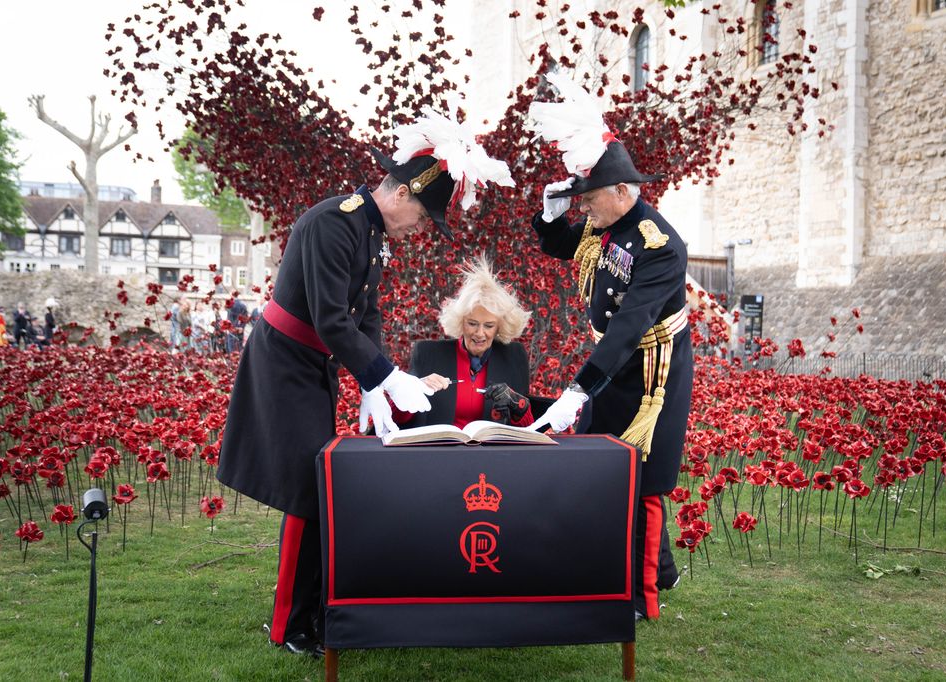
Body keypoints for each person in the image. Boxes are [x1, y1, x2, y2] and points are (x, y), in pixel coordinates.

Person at [216, 108, 514, 658]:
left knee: (319, 485)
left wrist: (372, 382)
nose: (419, 228)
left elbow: (366, 313)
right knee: (306, 491)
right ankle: (291, 624)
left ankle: (315, 609)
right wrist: (385, 376)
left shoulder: (370, 232)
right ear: (401, 193)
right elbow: (331, 318)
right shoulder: (335, 223)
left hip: (315, 364)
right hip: (285, 363)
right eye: (422, 216)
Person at [527, 74, 693, 622]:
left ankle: (643, 595)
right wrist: (549, 214)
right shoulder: (607, 225)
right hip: (611, 363)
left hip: (650, 371)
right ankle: (656, 570)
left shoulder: (659, 245)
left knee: (642, 477)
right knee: (605, 467)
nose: (585, 208)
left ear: (622, 191)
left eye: (589, 198)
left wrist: (578, 390)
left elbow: (629, 327)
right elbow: (561, 244)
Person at [395, 257, 535, 428]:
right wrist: (415, 389)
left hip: (492, 446)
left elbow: (528, 428)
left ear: (500, 326)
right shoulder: (427, 353)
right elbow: (398, 418)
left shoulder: (514, 356)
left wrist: (518, 405)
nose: (479, 333)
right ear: (460, 321)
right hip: (440, 444)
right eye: (472, 323)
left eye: (489, 325)